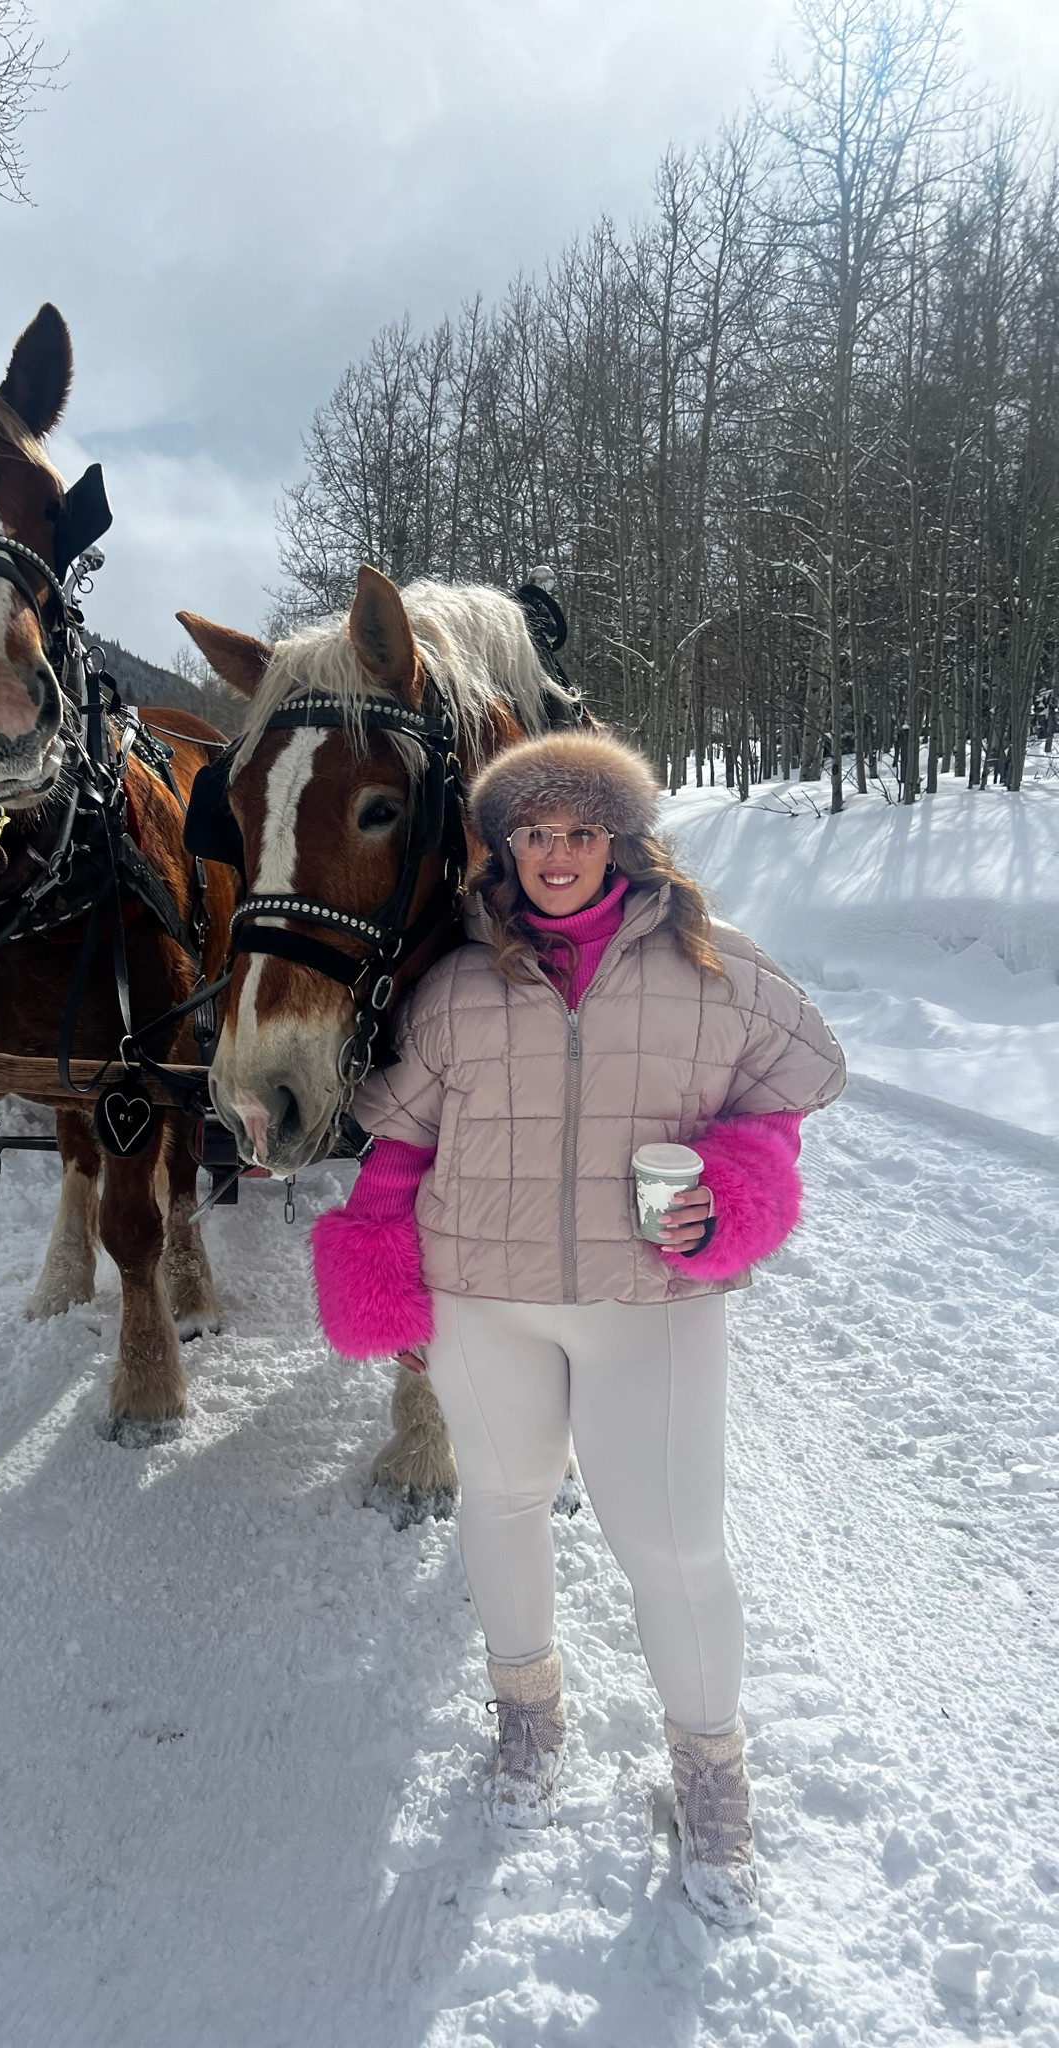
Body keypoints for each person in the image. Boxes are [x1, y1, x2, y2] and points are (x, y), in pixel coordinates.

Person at [310, 730, 846, 1928]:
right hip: (480, 1301)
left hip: (648, 1303)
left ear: (623, 841)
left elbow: (786, 1097)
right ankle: (527, 1725)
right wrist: (385, 1279)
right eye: (535, 833)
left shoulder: (718, 972)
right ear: (505, 849)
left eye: (581, 831)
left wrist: (736, 1189)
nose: (558, 855)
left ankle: (713, 1784)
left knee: (674, 1547)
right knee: (499, 1502)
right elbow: (397, 1145)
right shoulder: (456, 985)